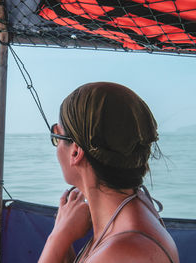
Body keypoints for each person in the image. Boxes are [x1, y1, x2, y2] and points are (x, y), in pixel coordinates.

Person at [38, 82, 180, 263]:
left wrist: (57, 239)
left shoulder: (123, 251)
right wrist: (63, 240)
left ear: (75, 151)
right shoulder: (137, 207)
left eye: (56, 136)